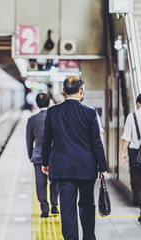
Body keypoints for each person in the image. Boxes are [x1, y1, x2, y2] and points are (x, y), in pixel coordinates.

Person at [42, 76, 108, 240]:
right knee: (87, 204)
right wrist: (103, 167)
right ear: (81, 91)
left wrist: (45, 163)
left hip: (63, 168)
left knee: (67, 206)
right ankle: (88, 237)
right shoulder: (90, 112)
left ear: (64, 91)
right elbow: (96, 142)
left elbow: (46, 140)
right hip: (86, 167)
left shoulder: (52, 112)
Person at [26, 93, 59, 218]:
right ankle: (55, 206)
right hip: (54, 156)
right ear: (49, 103)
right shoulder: (55, 117)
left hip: (38, 157)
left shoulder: (32, 120)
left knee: (40, 183)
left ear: (37, 104)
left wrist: (31, 155)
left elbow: (29, 140)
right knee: (54, 182)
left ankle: (44, 209)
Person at [121, 93, 141, 224]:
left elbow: (126, 137)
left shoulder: (132, 116)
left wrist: (123, 152)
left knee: (137, 185)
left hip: (136, 154)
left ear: (138, 103)